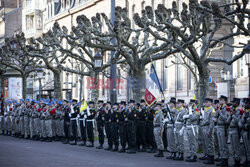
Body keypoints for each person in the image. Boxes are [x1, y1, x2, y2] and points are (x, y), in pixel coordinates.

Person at [214, 95, 230, 166]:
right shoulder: (219, 108)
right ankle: (222, 158)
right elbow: (215, 116)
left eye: (221, 100)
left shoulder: (227, 108)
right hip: (218, 126)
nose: (220, 101)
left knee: (224, 145)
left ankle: (225, 160)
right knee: (220, 145)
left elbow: (226, 120)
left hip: (223, 127)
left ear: (224, 101)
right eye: (220, 100)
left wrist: (220, 113)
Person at [200, 98, 215, 165]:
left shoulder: (212, 110)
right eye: (205, 102)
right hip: (204, 128)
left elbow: (212, 122)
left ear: (210, 103)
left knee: (210, 144)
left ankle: (211, 158)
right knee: (206, 143)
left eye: (207, 102)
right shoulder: (206, 109)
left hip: (208, 128)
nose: (205, 103)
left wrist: (210, 131)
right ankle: (208, 156)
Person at [227, 98, 241, 167]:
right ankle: (235, 160)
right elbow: (228, 121)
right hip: (231, 129)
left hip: (235, 129)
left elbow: (238, 121)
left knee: (236, 147)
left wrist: (234, 114)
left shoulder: (239, 110)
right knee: (232, 147)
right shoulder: (233, 110)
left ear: (237, 103)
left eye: (234, 103)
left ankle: (237, 161)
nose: (232, 104)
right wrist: (231, 114)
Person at [239, 98, 250, 167]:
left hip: (248, 132)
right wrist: (243, 125)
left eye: (246, 103)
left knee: (249, 148)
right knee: (246, 148)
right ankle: (247, 160)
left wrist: (244, 125)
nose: (245, 104)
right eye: (244, 103)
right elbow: (240, 123)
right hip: (244, 132)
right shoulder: (245, 112)